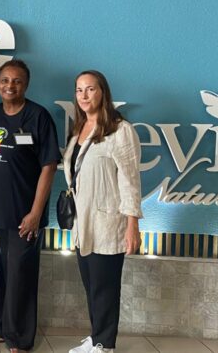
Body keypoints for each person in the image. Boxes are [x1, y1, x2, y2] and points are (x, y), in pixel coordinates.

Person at [0, 59, 60, 353]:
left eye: (17, 81)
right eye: (5, 81)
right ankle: (3, 328)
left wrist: (36, 213)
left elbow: (49, 167)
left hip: (26, 214)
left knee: (21, 273)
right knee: (6, 269)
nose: (10, 86)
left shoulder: (38, 117)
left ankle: (21, 339)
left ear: (26, 84)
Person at [63, 70, 142, 353]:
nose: (84, 95)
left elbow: (130, 181)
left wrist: (133, 224)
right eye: (79, 90)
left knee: (105, 287)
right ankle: (96, 336)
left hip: (109, 223)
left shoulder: (121, 130)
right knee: (92, 285)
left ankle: (105, 344)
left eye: (90, 89)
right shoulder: (79, 129)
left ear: (103, 92)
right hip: (83, 223)